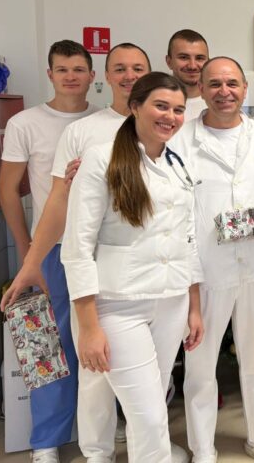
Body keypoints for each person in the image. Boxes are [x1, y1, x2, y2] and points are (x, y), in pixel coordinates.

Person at [0, 43, 181, 463]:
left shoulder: (166, 130)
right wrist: (31, 259)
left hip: (146, 270)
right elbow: (58, 201)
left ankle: (128, 438)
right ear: (107, 75)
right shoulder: (84, 132)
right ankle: (77, 446)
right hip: (78, 257)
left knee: (126, 365)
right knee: (78, 355)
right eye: (120, 68)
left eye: (138, 68)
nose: (129, 75)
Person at [61, 72, 204, 463]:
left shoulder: (178, 164)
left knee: (152, 402)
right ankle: (105, 454)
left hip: (171, 300)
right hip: (117, 304)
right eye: (161, 106)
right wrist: (88, 327)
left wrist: (193, 306)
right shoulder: (101, 158)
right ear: (136, 106)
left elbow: (188, 240)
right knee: (149, 415)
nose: (171, 117)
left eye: (178, 110)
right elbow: (77, 247)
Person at [172, 57, 254, 463]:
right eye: (215, 84)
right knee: (200, 362)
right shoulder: (182, 140)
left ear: (245, 88)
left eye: (232, 84)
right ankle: (203, 448)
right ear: (201, 89)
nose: (224, 92)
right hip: (207, 269)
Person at [0, 40, 97, 463]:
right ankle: (46, 441)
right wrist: (28, 251)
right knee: (49, 345)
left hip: (100, 247)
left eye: (78, 69)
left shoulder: (105, 121)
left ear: (92, 75)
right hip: (52, 250)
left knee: (103, 336)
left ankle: (104, 426)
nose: (71, 76)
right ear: (50, 74)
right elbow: (7, 189)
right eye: (62, 69)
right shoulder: (25, 123)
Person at [166, 29, 209, 118]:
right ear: (169, 62)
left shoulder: (219, 103)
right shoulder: (155, 103)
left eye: (199, 58)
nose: (192, 66)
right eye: (184, 57)